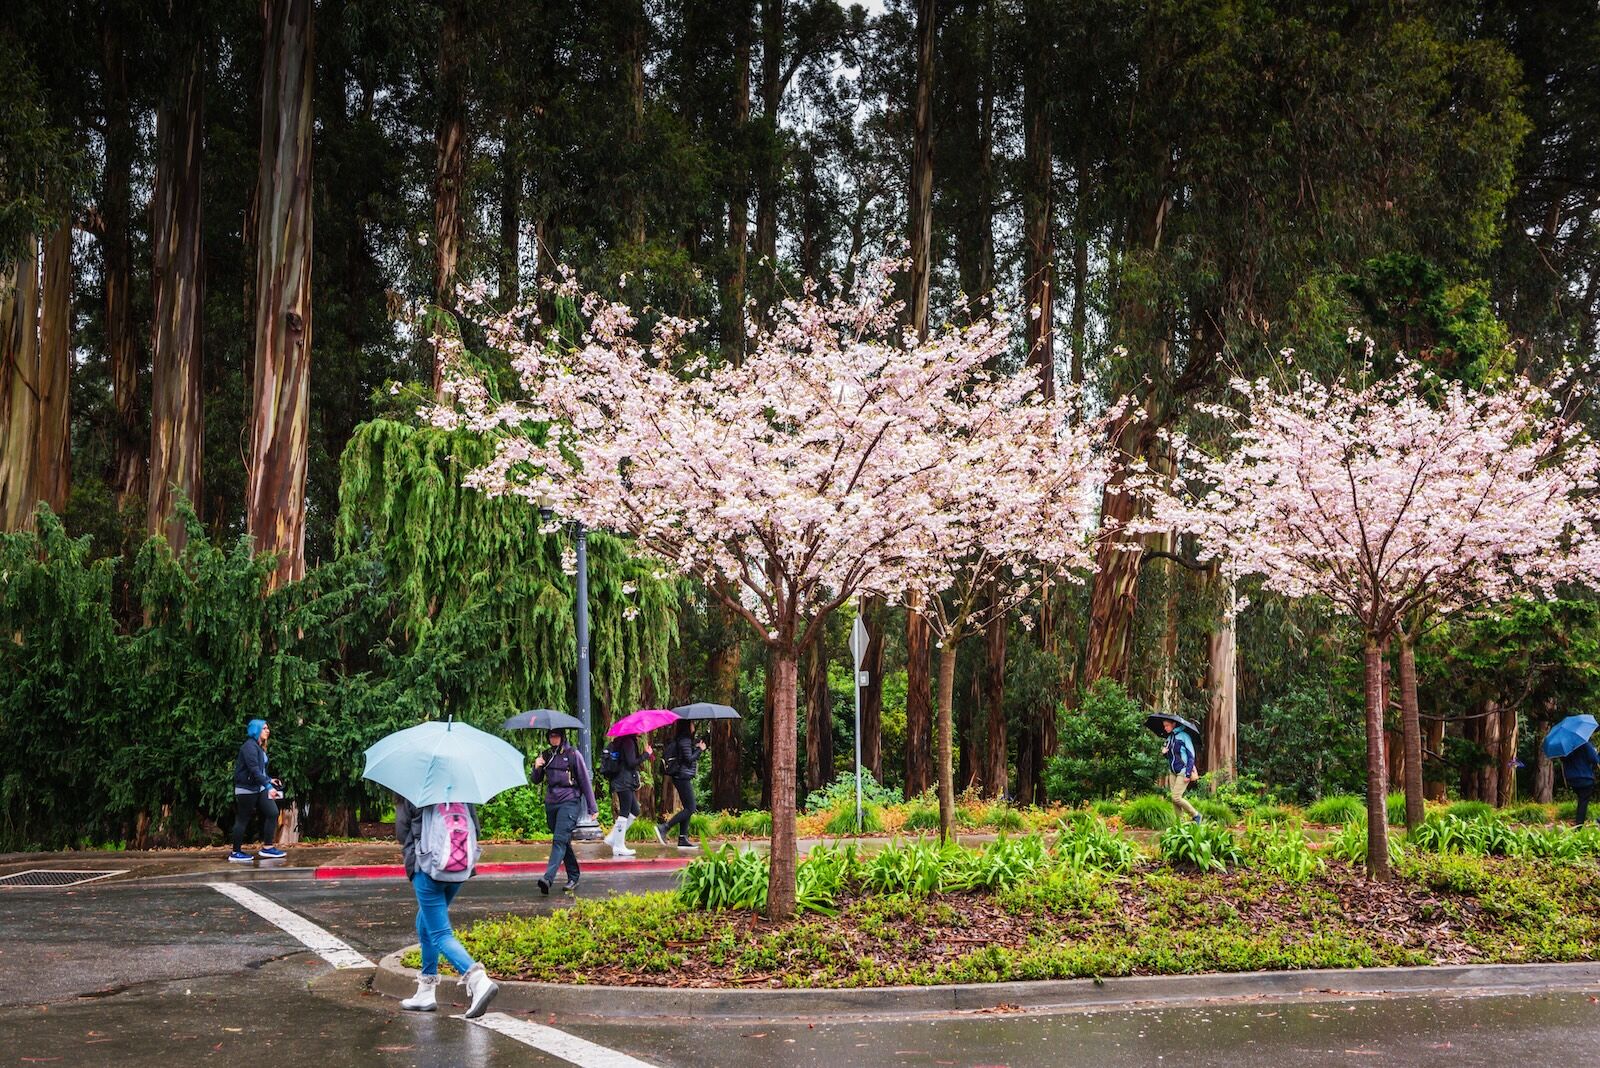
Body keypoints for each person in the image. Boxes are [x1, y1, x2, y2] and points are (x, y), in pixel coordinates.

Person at [393, 793, 499, 1018]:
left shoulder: (414, 791)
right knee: (424, 923)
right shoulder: (460, 790)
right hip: (459, 869)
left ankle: (477, 980)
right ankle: (426, 990)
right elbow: (476, 830)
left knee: (440, 933)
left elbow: (402, 833)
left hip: (428, 869)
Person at [530, 727, 598, 895]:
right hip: (551, 802)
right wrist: (537, 767)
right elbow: (536, 780)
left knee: (559, 840)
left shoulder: (573, 754)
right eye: (551, 736)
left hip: (569, 801)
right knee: (563, 840)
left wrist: (592, 806)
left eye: (556, 736)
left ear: (562, 737)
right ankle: (574, 876)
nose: (553, 739)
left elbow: (584, 780)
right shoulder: (546, 755)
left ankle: (548, 878)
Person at [230, 719, 286, 863]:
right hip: (246, 789)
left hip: (259, 787)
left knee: (272, 812)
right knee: (243, 819)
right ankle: (235, 852)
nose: (267, 730)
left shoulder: (258, 747)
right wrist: (268, 787)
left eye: (267, 728)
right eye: (264, 728)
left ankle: (267, 847)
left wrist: (269, 780)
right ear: (256, 730)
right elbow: (254, 770)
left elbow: (260, 771)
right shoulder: (249, 747)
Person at [655, 721, 706, 848]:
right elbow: (688, 759)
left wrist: (696, 747)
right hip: (681, 776)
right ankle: (664, 827)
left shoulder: (685, 740)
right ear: (687, 726)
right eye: (692, 723)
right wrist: (700, 750)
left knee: (688, 808)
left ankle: (683, 838)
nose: (694, 725)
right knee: (691, 808)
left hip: (682, 776)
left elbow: (685, 756)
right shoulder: (684, 740)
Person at [602, 732, 651, 857]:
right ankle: (618, 846)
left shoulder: (623, 741)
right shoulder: (628, 741)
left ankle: (613, 837)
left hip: (622, 780)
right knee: (625, 812)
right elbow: (631, 762)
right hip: (624, 781)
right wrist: (646, 754)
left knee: (635, 810)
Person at [1159, 718, 1202, 823]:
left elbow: (1191, 756)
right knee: (1174, 800)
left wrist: (1188, 774)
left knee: (1176, 797)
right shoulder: (1169, 738)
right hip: (1172, 771)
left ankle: (1196, 815)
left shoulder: (1184, 736)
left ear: (1173, 724)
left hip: (1183, 770)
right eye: (1164, 726)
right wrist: (1164, 753)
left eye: (1167, 725)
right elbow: (1170, 757)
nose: (1165, 728)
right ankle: (1180, 823)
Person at [1561, 738, 1598, 826]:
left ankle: (1579, 822)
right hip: (1585, 777)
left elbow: (1563, 759)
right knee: (1583, 801)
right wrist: (1595, 751)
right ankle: (1579, 825)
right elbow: (1594, 759)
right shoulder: (1584, 744)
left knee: (1581, 800)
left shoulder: (1566, 746)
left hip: (1572, 778)